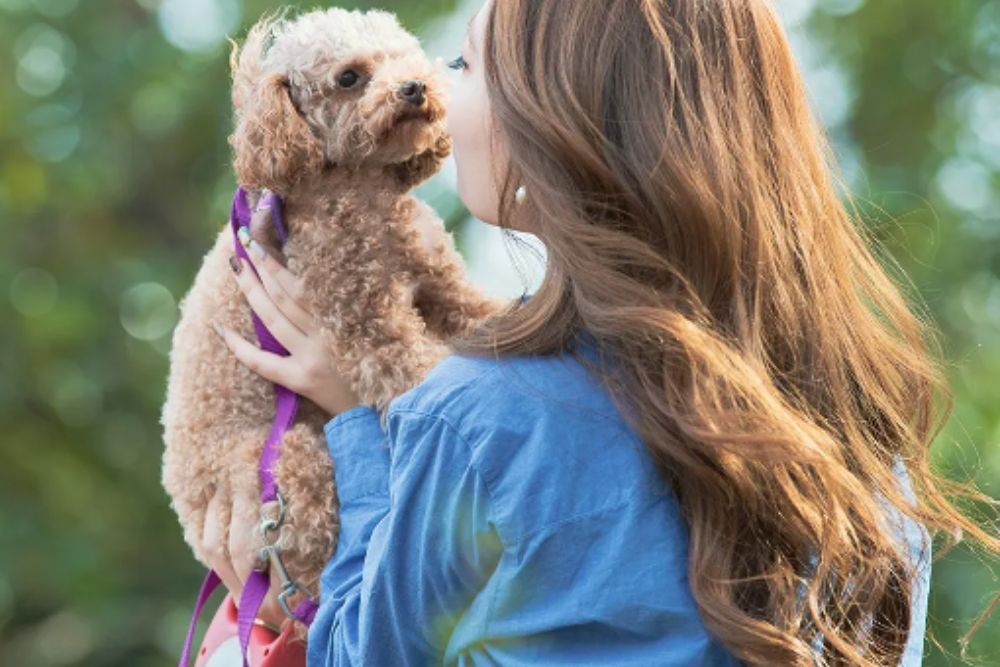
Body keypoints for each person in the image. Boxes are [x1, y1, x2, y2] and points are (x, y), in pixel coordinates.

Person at [203, 0, 1000, 665]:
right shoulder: (864, 430)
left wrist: (356, 428)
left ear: (551, 118)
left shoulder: (474, 418)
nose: (442, 91)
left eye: (465, 65)